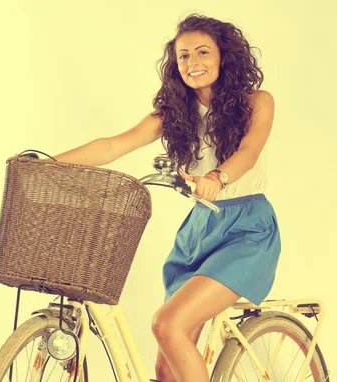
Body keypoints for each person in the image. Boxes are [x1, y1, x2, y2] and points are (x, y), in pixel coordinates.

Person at [53, 14, 280, 382]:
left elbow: (250, 151)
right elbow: (114, 145)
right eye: (184, 56)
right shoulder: (174, 115)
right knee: (165, 368)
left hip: (247, 231)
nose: (193, 64)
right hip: (199, 231)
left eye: (203, 52)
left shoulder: (257, 102)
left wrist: (216, 178)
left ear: (225, 56)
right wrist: (48, 163)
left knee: (167, 325)